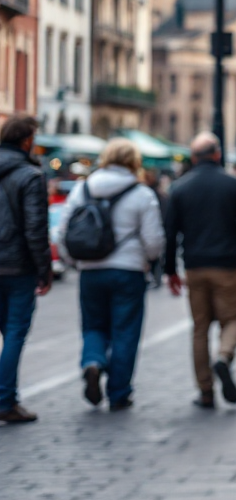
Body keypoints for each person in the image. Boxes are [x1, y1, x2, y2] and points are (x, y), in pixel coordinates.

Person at [60, 139, 165, 411]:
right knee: (125, 331)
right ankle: (119, 392)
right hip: (128, 271)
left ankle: (92, 361)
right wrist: (148, 260)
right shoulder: (142, 194)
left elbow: (64, 230)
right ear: (134, 161)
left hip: (90, 270)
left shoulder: (82, 189)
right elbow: (154, 241)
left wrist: (73, 260)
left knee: (93, 325)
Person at [164, 133, 236, 409]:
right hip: (227, 264)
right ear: (218, 154)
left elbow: (170, 234)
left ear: (194, 158)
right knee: (232, 320)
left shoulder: (180, 188)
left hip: (195, 265)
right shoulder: (234, 184)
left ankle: (205, 390)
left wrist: (170, 269)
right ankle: (224, 356)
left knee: (199, 328)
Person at [0, 115, 51, 424]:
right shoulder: (30, 176)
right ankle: (5, 400)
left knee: (11, 333)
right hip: (17, 266)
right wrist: (44, 269)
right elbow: (35, 229)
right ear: (26, 140)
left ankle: (9, 396)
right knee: (15, 333)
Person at [142, 169, 169, 288]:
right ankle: (156, 276)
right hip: (156, 233)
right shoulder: (159, 196)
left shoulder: (145, 195)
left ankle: (153, 276)